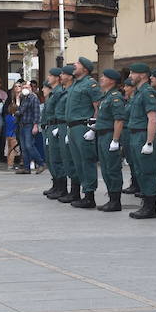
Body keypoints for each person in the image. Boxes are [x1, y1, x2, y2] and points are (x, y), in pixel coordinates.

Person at [63, 57, 101, 209]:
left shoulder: (90, 84)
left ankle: (90, 196)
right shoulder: (75, 85)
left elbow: (98, 106)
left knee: (87, 161)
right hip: (73, 127)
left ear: (85, 68)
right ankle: (81, 192)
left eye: (77, 64)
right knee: (77, 161)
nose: (74, 65)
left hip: (83, 126)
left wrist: (93, 128)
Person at [124, 62, 156, 219]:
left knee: (147, 171)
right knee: (139, 171)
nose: (130, 76)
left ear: (143, 75)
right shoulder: (138, 92)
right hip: (134, 135)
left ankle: (150, 207)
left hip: (142, 135)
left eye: (133, 73)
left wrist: (149, 142)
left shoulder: (147, 92)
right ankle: (146, 203)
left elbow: (152, 119)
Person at [92, 69, 126, 209]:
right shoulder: (105, 96)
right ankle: (111, 197)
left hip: (110, 135)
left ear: (112, 81)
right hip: (102, 134)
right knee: (105, 168)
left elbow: (119, 120)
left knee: (112, 168)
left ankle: (116, 200)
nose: (101, 79)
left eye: (104, 77)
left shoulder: (115, 97)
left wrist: (115, 140)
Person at [41, 68, 71, 200]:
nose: (49, 77)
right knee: (52, 158)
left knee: (57, 158)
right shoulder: (55, 93)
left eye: (51, 75)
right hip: (51, 126)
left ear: (57, 78)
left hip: (56, 125)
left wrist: (59, 127)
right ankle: (57, 185)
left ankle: (62, 187)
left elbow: (61, 111)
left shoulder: (59, 92)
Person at [15, 80, 42, 175]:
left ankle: (41, 163)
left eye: (27, 87)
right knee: (23, 147)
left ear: (31, 88)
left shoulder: (33, 98)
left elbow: (36, 113)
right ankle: (26, 168)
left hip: (29, 125)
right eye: (23, 88)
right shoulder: (23, 98)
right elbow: (18, 111)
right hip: (22, 124)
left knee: (29, 145)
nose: (25, 89)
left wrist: (35, 125)